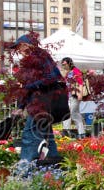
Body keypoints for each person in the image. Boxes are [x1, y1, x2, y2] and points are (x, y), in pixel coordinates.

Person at [9, 34, 66, 162]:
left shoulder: (41, 56)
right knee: (47, 134)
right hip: (36, 101)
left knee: (29, 134)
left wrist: (33, 85)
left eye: (19, 47)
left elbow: (54, 76)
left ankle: (26, 165)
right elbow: (26, 88)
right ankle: (53, 161)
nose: (18, 51)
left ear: (26, 45)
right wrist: (21, 107)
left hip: (42, 102)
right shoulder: (28, 61)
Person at [60, 57, 86, 138]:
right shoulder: (66, 72)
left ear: (69, 63)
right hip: (67, 96)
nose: (64, 66)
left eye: (65, 64)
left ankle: (70, 131)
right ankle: (76, 132)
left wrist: (80, 94)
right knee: (71, 113)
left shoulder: (76, 71)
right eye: (62, 64)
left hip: (75, 95)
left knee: (72, 113)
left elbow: (80, 83)